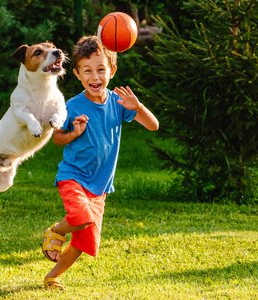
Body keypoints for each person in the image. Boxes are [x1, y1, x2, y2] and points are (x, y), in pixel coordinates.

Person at [41, 35, 159, 290]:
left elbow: (153, 125)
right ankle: (56, 232)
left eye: (101, 70)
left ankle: (52, 277)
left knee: (85, 243)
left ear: (112, 71)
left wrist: (137, 106)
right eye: (87, 71)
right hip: (73, 176)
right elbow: (57, 139)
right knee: (80, 217)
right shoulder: (72, 106)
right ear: (77, 74)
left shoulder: (119, 103)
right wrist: (74, 133)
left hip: (99, 187)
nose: (95, 77)